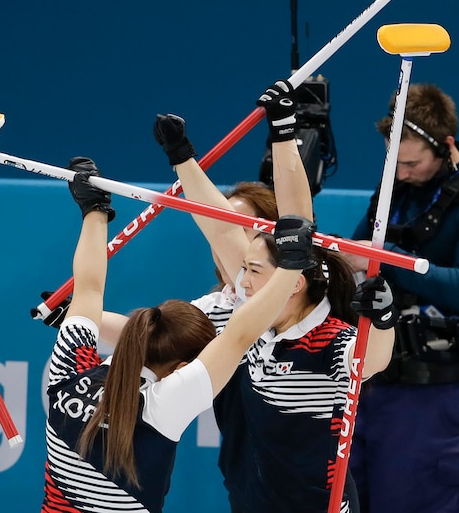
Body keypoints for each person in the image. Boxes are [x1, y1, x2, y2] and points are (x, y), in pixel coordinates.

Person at [151, 80, 399, 513]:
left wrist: (383, 318)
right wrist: (182, 157)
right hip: (249, 498)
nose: (242, 277)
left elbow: (370, 361)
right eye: (243, 267)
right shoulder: (238, 307)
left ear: (293, 279)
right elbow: (218, 226)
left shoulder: (325, 333)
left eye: (253, 269)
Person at [41, 156, 318, 513]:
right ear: (181, 366)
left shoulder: (68, 371)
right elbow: (239, 334)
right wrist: (291, 267)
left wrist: (93, 210)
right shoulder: (162, 406)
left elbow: (89, 289)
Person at [344, 83, 459, 513]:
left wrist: (387, 258)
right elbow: (359, 256)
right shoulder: (394, 187)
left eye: (412, 163)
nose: (401, 173)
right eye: (393, 162)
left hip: (433, 394)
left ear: (446, 146)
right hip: (371, 383)